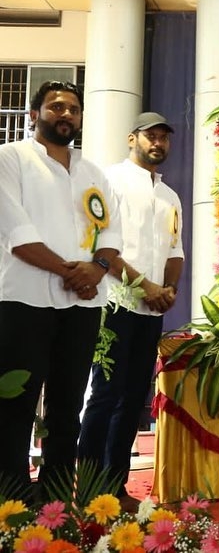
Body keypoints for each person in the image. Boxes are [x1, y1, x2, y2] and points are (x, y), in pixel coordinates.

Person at [0, 81, 123, 501]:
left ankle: (55, 497)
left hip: (81, 306)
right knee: (16, 403)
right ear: (35, 115)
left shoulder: (93, 172)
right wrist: (74, 272)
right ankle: (12, 500)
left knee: (68, 405)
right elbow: (18, 233)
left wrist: (97, 268)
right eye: (55, 107)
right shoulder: (10, 158)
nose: (65, 113)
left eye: (73, 108)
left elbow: (111, 234)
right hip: (23, 300)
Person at [78, 112, 184, 511]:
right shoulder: (110, 181)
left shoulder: (169, 196)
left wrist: (169, 290)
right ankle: (88, 490)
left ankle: (114, 485)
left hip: (151, 308)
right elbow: (102, 247)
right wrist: (145, 287)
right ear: (132, 139)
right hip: (115, 302)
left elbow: (175, 251)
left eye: (163, 138)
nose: (157, 143)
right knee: (105, 395)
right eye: (150, 136)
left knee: (133, 398)